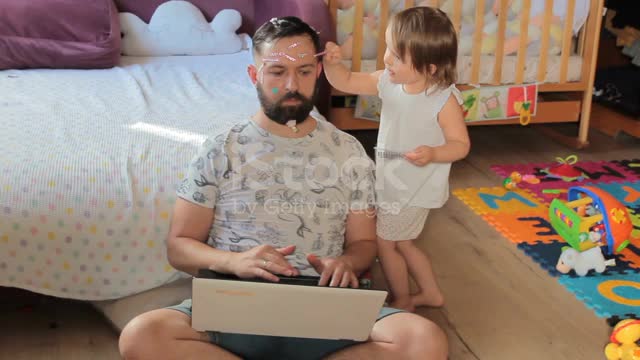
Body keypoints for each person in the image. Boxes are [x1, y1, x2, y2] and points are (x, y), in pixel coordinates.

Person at [118, 16, 448, 360]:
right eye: (277, 72)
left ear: (318, 74)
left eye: (304, 71)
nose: (292, 84)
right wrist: (234, 261)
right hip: (234, 307)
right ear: (254, 75)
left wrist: (347, 263)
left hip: (325, 307)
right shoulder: (220, 149)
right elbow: (179, 247)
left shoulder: (349, 151)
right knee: (141, 336)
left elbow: (364, 243)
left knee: (424, 340)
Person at [322, 6, 470, 312]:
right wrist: (334, 65)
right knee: (402, 243)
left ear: (430, 68)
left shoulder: (443, 99)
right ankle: (431, 294)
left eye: (398, 56)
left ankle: (402, 299)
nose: (387, 58)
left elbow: (460, 145)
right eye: (388, 48)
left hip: (415, 187)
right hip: (393, 181)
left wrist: (434, 153)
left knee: (385, 244)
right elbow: (346, 81)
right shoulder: (388, 81)